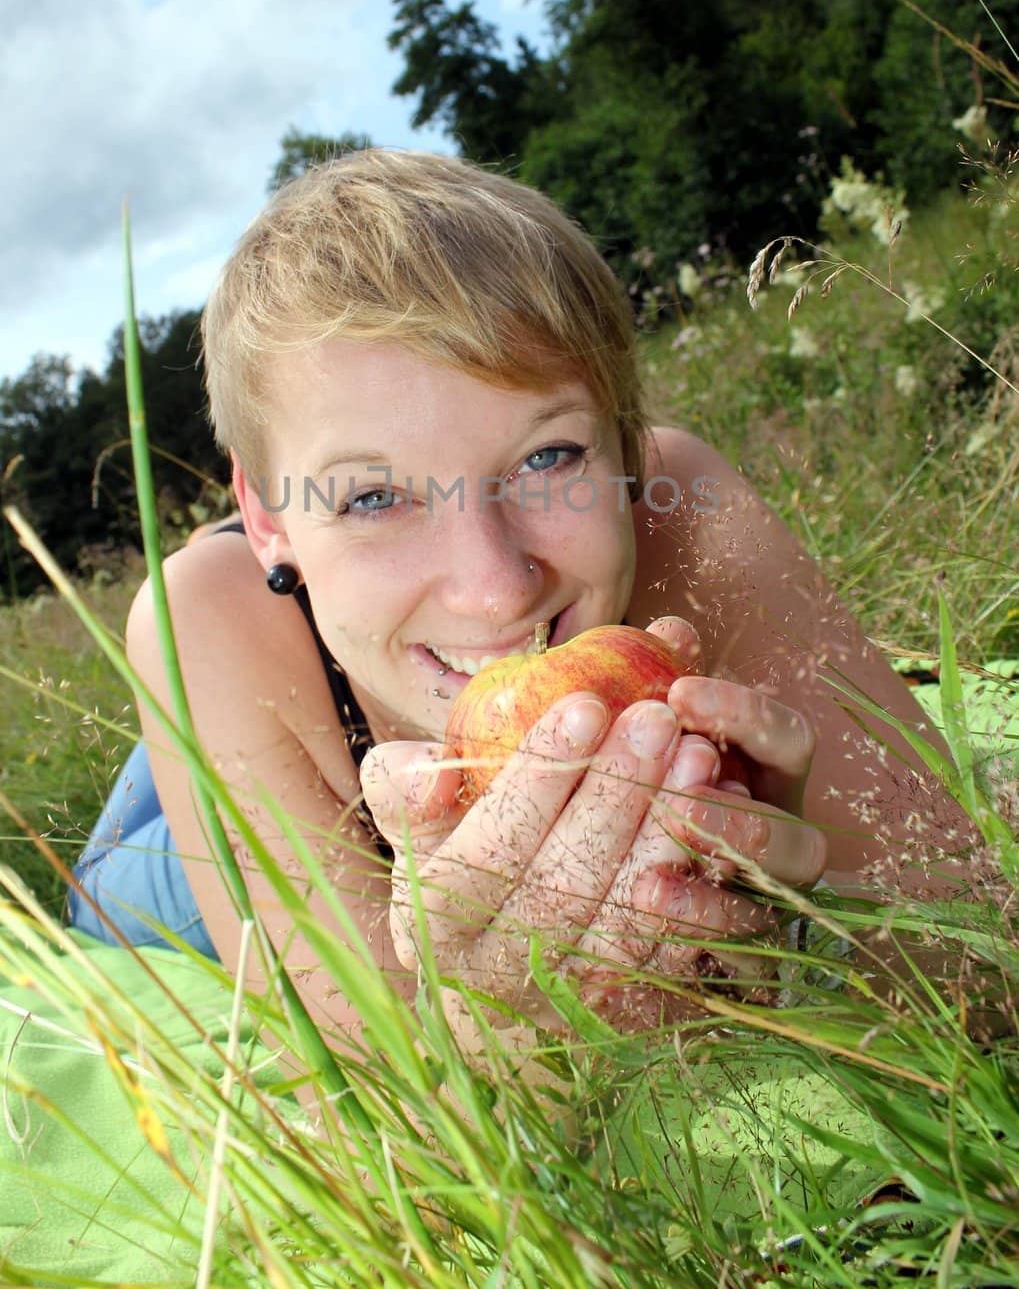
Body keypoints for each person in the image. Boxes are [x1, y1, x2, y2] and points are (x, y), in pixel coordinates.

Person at [69, 149, 954, 1041]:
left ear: (623, 438)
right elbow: (361, 1116)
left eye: (547, 457)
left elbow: (959, 912)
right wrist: (510, 1036)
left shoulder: (677, 496)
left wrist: (795, 923)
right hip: (245, 735)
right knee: (115, 900)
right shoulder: (201, 622)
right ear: (268, 516)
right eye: (372, 496)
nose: (496, 590)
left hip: (345, 633)